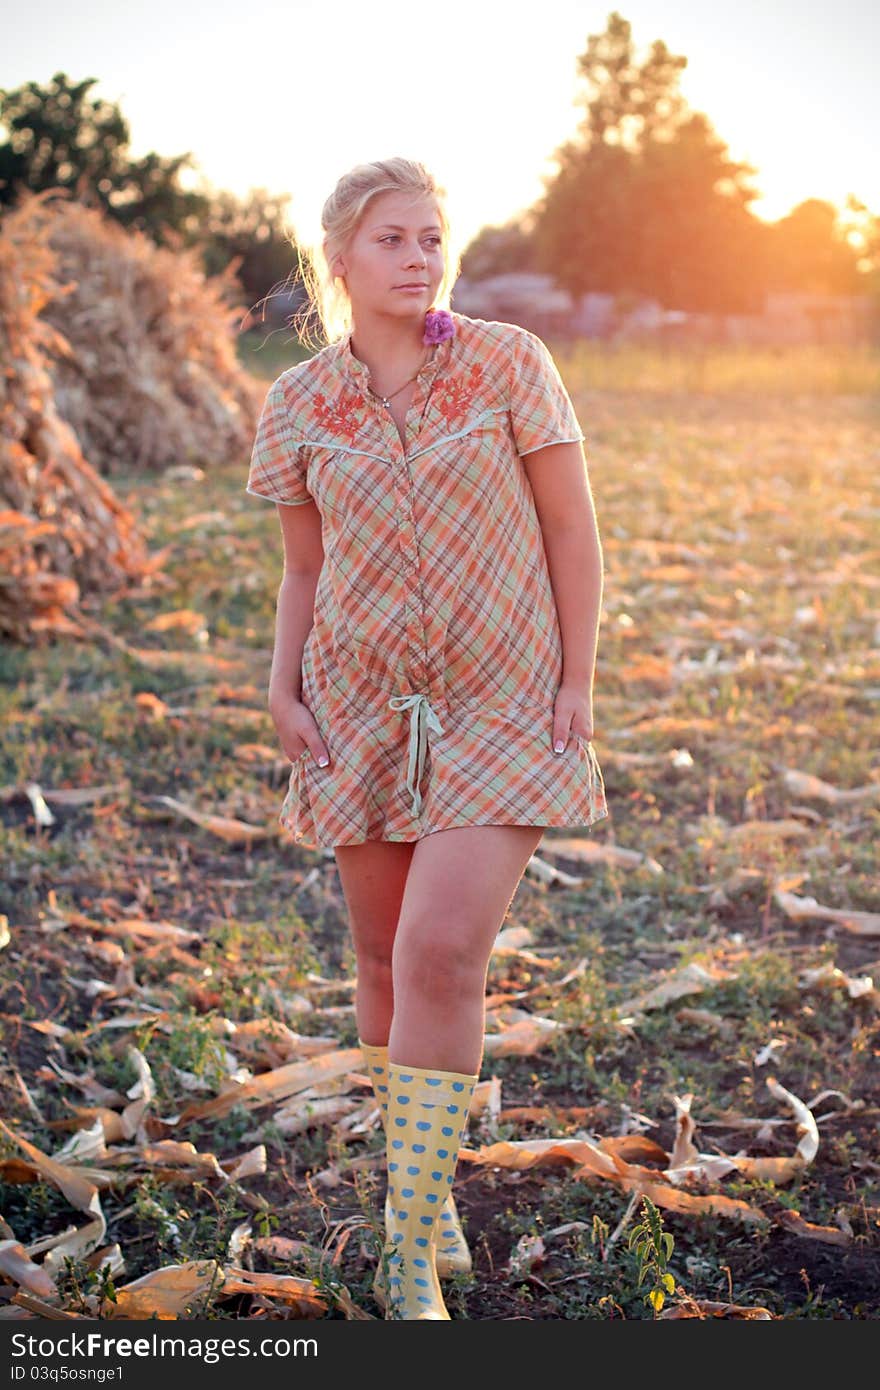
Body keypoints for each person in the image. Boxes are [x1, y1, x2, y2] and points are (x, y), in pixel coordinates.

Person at [246, 157, 607, 1319]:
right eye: (393, 239)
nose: (418, 257)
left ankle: (405, 1256)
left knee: (441, 953)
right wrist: (282, 685)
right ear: (341, 258)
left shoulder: (509, 363)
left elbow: (570, 529)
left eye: (431, 237)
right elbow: (304, 565)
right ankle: (428, 1187)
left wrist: (577, 678)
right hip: (354, 703)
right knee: (376, 959)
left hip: (502, 695)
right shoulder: (299, 401)